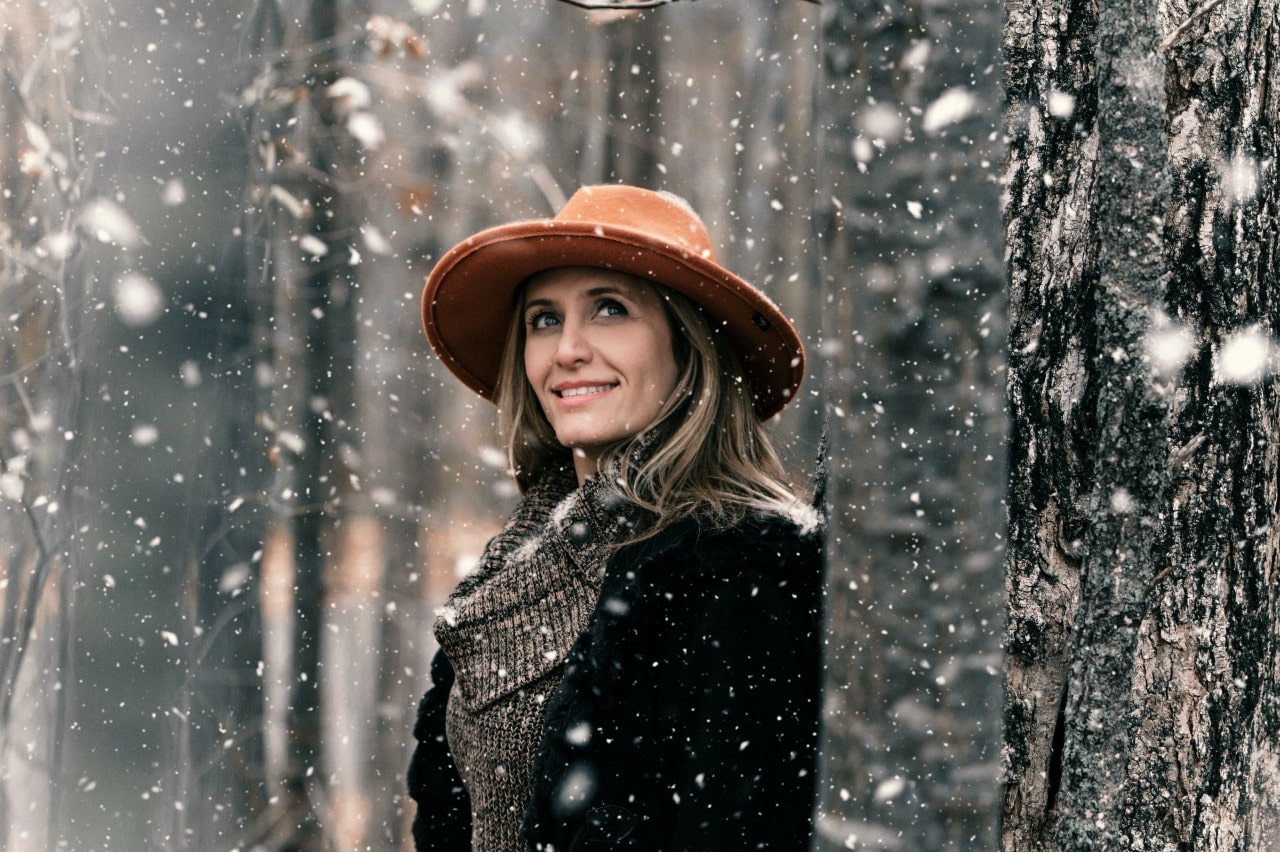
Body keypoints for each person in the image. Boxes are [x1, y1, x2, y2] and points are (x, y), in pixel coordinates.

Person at [407, 184, 824, 851]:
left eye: (609, 308)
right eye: (544, 319)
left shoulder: (746, 568)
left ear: (688, 348)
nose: (568, 348)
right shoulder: (513, 570)